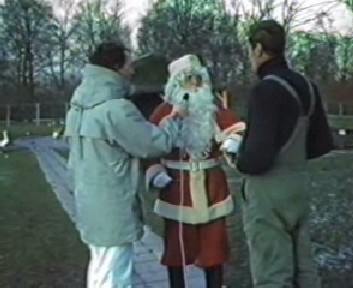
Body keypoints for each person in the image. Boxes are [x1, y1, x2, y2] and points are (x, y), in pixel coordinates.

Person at [64, 42, 180, 288]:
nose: (132, 70)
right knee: (115, 275)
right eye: (128, 64)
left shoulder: (79, 104)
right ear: (115, 67)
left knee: (101, 267)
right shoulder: (116, 109)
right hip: (112, 204)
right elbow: (155, 143)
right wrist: (174, 117)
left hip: (90, 200)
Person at [235, 20, 334, 287]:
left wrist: (236, 155)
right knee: (305, 269)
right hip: (299, 186)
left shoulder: (265, 90)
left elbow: (255, 160)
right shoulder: (307, 86)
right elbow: (321, 143)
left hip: (269, 193)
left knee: (272, 273)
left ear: (258, 49)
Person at [145, 54, 245, 288]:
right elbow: (148, 146)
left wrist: (234, 140)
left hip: (212, 187)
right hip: (176, 187)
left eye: (196, 79)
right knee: (177, 249)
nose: (192, 84)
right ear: (175, 84)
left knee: (214, 248)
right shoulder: (164, 112)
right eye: (186, 79)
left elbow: (236, 127)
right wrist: (155, 171)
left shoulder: (213, 108)